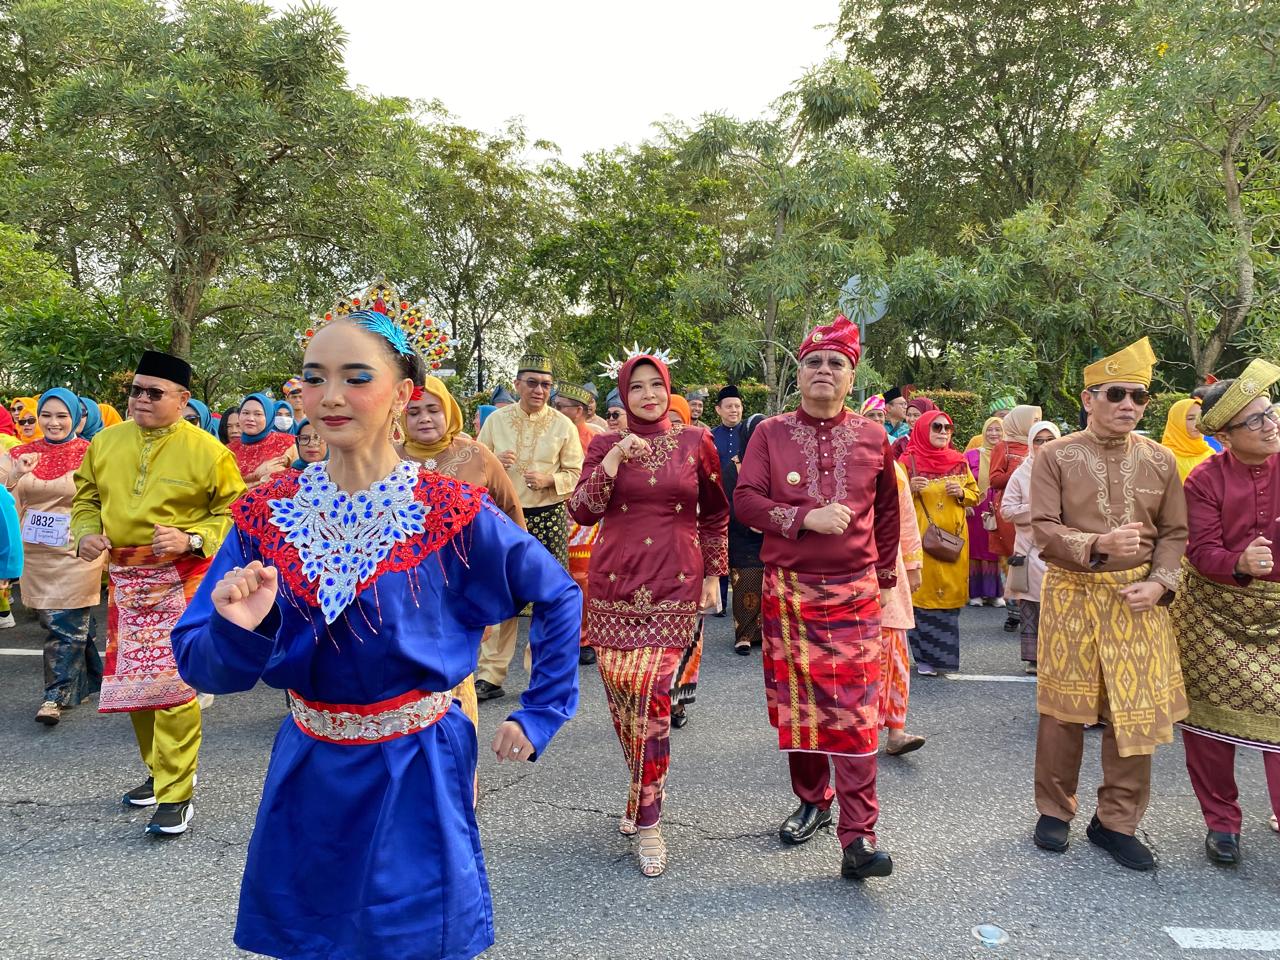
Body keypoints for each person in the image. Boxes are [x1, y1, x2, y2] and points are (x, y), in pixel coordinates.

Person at [170, 302, 581, 960]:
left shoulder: (451, 511)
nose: (330, 396)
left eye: (356, 377)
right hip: (309, 764)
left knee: (411, 938)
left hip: (416, 763)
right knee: (315, 938)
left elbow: (557, 592)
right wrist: (238, 630)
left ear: (404, 393)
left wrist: (542, 711)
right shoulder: (266, 514)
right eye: (314, 377)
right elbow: (201, 665)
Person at [734, 315, 901, 881]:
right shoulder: (770, 433)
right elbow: (747, 502)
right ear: (798, 375)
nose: (824, 371)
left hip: (854, 591)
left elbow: (888, 513)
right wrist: (804, 518)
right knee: (803, 713)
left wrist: (882, 581)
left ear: (851, 378)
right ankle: (813, 800)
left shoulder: (877, 436)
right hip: (789, 589)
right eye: (814, 362)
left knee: (855, 715)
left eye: (836, 364)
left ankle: (860, 835)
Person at [71, 350, 246, 836]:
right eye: (136, 391)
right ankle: (159, 772)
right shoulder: (104, 443)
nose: (141, 399)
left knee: (172, 688)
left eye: (155, 392)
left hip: (181, 577)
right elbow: (86, 496)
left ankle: (176, 793)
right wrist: (87, 532)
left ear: (183, 399)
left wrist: (192, 538)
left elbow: (235, 513)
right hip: (127, 578)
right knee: (136, 689)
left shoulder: (209, 452)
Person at [1030, 337, 1188, 871]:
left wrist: (1162, 584)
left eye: (1139, 397)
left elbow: (1175, 533)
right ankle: (1055, 810)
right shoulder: (1054, 455)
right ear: (1087, 397)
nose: (1128, 405)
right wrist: (1095, 545)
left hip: (1136, 601)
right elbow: (1042, 531)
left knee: (1134, 713)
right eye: (1115, 393)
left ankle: (1117, 822)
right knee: (1063, 713)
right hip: (1073, 593)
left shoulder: (1162, 460)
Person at [568, 351, 727, 877]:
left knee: (655, 697)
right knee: (623, 700)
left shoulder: (695, 440)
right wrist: (613, 462)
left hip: (675, 583)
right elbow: (582, 510)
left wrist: (712, 576)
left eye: (654, 385)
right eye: (635, 388)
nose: (647, 396)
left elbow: (717, 510)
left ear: (667, 389)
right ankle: (641, 788)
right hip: (614, 586)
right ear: (623, 396)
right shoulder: (603, 444)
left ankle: (651, 819)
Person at [1171, 361, 1280, 865]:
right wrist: (1238, 561)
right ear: (1227, 435)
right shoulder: (1204, 479)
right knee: (1209, 728)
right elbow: (1201, 550)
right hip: (1212, 614)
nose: (1270, 424)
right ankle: (1222, 823)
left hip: (1277, 613)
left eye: (1271, 413)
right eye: (1256, 420)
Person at [474, 354, 584, 700]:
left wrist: (551, 479)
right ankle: (491, 675)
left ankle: (539, 674)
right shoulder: (496, 421)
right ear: (518, 383)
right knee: (503, 595)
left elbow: (576, 473)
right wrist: (494, 463)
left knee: (546, 598)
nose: (539, 390)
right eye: (532, 382)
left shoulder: (563, 425)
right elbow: (474, 463)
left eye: (546, 385)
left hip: (548, 515)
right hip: (505, 516)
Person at [1, 390, 106, 725]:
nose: (53, 422)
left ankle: (55, 695)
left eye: (62, 415)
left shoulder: (92, 454)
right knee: (61, 619)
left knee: (63, 620)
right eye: (46, 415)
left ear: (76, 417)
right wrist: (16, 474)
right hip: (37, 553)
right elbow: (6, 503)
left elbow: (105, 500)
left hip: (78, 550)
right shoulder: (17, 453)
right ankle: (93, 678)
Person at [900, 410, 979, 675]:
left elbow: (975, 495)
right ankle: (923, 658)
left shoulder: (959, 461)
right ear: (923, 430)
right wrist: (910, 487)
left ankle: (944, 659)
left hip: (954, 541)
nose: (943, 432)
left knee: (950, 597)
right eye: (936, 427)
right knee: (921, 597)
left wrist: (963, 493)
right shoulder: (906, 462)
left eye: (948, 427)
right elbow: (890, 501)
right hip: (921, 541)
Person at [1001, 420, 1062, 674]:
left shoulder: (1067, 470)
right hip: (1028, 548)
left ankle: (1058, 656)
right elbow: (1006, 511)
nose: (1044, 445)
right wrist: (1035, 510)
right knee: (1032, 605)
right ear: (1031, 444)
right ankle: (1033, 659)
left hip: (1059, 549)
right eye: (1039, 440)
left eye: (1050, 440)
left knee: (1059, 605)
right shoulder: (1021, 473)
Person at [880, 458, 927, 755]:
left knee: (895, 654)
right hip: (844, 569)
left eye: (880, 419)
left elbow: (906, 516)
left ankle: (896, 731)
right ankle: (858, 730)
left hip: (889, 566)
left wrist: (912, 564)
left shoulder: (891, 468)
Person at [555, 382, 604, 666]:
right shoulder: (550, 431)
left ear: (580, 411)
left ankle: (586, 638)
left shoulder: (596, 438)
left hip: (584, 518)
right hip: (553, 513)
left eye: (561, 406)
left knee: (583, 579)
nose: (556, 410)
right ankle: (561, 638)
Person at [988, 403, 1043, 632]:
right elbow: (995, 480)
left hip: (1041, 513)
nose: (1037, 424)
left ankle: (1034, 610)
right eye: (1033, 419)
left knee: (1038, 562)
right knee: (1016, 559)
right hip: (1012, 512)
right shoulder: (1004, 446)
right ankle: (1014, 611)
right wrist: (1019, 469)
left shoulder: (1045, 445)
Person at [726, 413, 766, 655]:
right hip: (743, 535)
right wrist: (748, 521)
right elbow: (726, 503)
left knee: (771, 585)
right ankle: (745, 634)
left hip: (771, 533)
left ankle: (767, 633)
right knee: (747, 584)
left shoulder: (775, 462)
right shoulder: (734, 466)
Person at [712, 385, 748, 615]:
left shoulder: (751, 433)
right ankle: (719, 601)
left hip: (746, 499)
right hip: (719, 499)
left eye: (737, 406)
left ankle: (746, 603)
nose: (734, 410)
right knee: (720, 548)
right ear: (718, 410)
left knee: (744, 551)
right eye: (729, 407)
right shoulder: (711, 436)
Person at [964, 416, 1006, 606]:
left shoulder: (1007, 454)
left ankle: (995, 592)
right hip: (977, 507)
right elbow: (962, 479)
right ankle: (975, 594)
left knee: (995, 548)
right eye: (990, 429)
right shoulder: (972, 455)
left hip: (1000, 506)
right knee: (976, 548)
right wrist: (965, 503)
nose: (994, 433)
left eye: (998, 429)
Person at [227, 393, 297, 485]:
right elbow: (221, 484)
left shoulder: (288, 443)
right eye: (245, 413)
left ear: (268, 417)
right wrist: (256, 475)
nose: (250, 418)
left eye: (258, 414)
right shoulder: (228, 450)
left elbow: (300, 477)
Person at [1161, 398, 1213, 483]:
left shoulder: (1210, 453)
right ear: (1177, 422)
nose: (1197, 423)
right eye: (1190, 419)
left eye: (1200, 417)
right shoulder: (1163, 458)